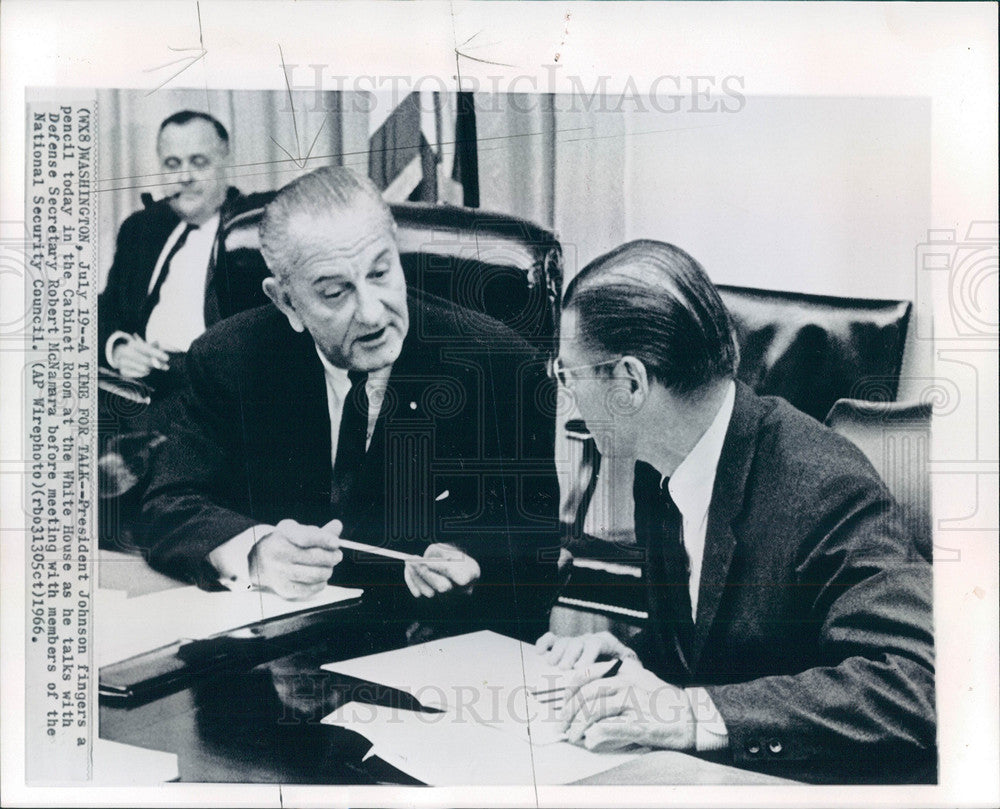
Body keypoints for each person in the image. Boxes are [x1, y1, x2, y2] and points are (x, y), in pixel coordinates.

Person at [536, 240, 935, 783]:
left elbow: (912, 686)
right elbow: (722, 639)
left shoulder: (822, 485)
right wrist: (631, 661)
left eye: (568, 375)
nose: (567, 397)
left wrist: (688, 713)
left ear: (630, 383)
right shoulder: (664, 459)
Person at [137, 166, 562, 637]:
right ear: (286, 302)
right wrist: (257, 551)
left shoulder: (497, 367)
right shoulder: (231, 359)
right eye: (335, 292)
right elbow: (168, 506)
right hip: (273, 655)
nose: (372, 311)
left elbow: (533, 552)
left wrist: (469, 562)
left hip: (428, 662)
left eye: (381, 272)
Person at [98, 110, 271, 396]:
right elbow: (107, 309)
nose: (185, 177)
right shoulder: (141, 228)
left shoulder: (256, 227)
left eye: (199, 162)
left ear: (225, 160)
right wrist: (118, 347)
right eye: (172, 164)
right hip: (140, 391)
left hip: (220, 399)